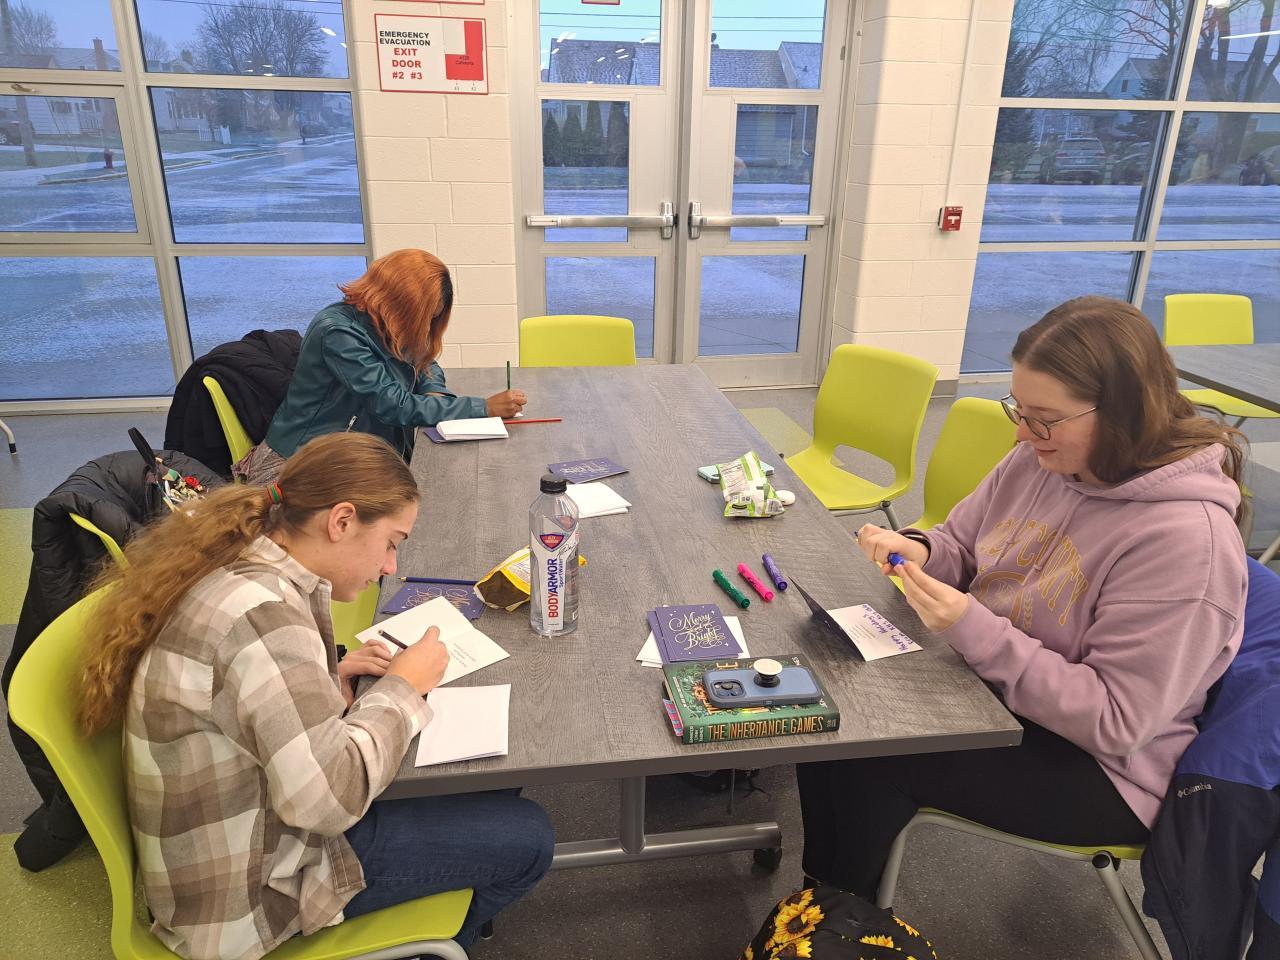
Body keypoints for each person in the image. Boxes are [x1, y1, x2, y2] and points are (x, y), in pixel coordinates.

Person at [797, 296, 1249, 898]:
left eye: (1044, 418)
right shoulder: (1041, 458)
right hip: (999, 691)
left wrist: (972, 627)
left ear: (1123, 414)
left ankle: (834, 918)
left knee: (876, 751)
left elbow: (1116, 723)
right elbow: (963, 543)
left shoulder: (1186, 543)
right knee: (830, 696)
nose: (1021, 432)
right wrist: (920, 550)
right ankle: (821, 904)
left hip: (1105, 769)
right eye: (1019, 408)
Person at [77, 433, 553, 960]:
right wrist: (403, 688)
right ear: (342, 520)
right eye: (391, 542)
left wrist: (329, 676)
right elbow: (327, 801)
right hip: (249, 895)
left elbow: (245, 694)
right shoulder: (264, 616)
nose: (390, 566)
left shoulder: (248, 563)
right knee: (529, 838)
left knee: (494, 784)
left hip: (250, 836)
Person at [236, 249, 527, 483]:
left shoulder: (384, 321)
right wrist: (483, 408)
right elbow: (393, 405)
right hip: (303, 464)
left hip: (356, 452)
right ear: (399, 303)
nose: (426, 326)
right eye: (424, 317)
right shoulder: (338, 333)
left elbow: (425, 360)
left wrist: (435, 390)